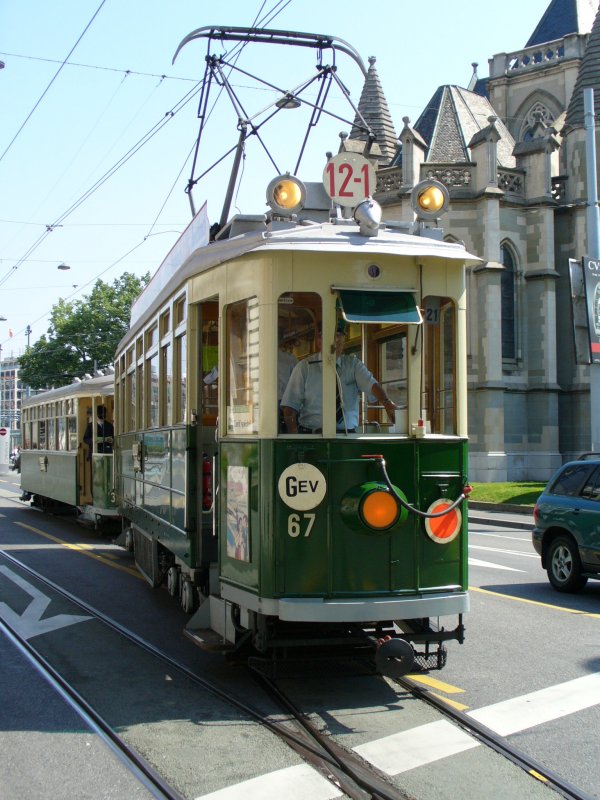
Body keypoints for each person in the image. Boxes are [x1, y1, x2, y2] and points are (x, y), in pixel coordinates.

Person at [281, 321, 398, 433]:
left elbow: (371, 384)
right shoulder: (304, 367)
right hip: (313, 435)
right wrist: (295, 436)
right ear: (319, 342)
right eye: (332, 336)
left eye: (339, 336)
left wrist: (387, 402)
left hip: (347, 435)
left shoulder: (353, 365)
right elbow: (290, 407)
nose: (336, 340)